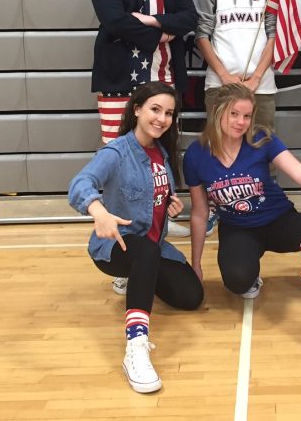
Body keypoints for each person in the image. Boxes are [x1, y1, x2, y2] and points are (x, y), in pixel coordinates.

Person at [183, 83, 301, 370]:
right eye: (234, 114)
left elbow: (299, 171)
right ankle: (251, 273)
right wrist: (195, 264)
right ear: (217, 112)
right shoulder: (196, 155)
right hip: (238, 229)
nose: (241, 122)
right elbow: (199, 213)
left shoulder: (261, 139)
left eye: (247, 116)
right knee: (237, 282)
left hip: (277, 219)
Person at [68, 82, 203, 394]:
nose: (162, 118)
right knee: (143, 253)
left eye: (169, 113)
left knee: (190, 297)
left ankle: (136, 280)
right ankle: (136, 346)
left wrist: (168, 201)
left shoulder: (162, 152)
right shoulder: (117, 152)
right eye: (155, 109)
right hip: (117, 245)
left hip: (153, 247)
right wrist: (97, 209)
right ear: (138, 109)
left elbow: (154, 192)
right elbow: (80, 182)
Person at [89, 0, 199, 275]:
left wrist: (152, 22)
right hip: (121, 80)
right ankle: (117, 248)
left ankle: (160, 223)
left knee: (162, 154)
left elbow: (189, 19)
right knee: (119, 162)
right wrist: (162, 30)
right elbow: (114, 20)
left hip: (165, 78)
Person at [194, 0, 277, 132]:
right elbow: (202, 36)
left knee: (261, 151)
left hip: (261, 87)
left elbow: (273, 35)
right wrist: (224, 75)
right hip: (220, 86)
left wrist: (256, 77)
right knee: (219, 151)